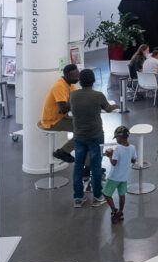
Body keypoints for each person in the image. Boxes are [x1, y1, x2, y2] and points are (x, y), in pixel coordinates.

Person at [69, 68, 119, 207]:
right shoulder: (98, 95)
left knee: (78, 166)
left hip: (79, 135)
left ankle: (78, 198)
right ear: (94, 80)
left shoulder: (73, 95)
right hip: (95, 135)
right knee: (96, 166)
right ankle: (97, 196)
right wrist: (114, 105)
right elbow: (108, 108)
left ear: (80, 81)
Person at [40, 63, 80, 163]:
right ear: (67, 75)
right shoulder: (59, 86)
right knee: (84, 131)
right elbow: (64, 109)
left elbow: (75, 100)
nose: (77, 77)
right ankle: (63, 152)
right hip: (52, 121)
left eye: (78, 74)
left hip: (61, 117)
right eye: (75, 75)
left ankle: (87, 164)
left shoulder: (70, 85)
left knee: (86, 127)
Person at [103, 125, 137, 224]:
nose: (116, 140)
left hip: (114, 177)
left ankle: (114, 210)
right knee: (122, 194)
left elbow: (114, 163)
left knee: (106, 193)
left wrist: (109, 156)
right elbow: (134, 160)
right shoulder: (132, 148)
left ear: (120, 137)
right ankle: (121, 212)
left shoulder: (117, 149)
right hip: (124, 177)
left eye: (116, 138)